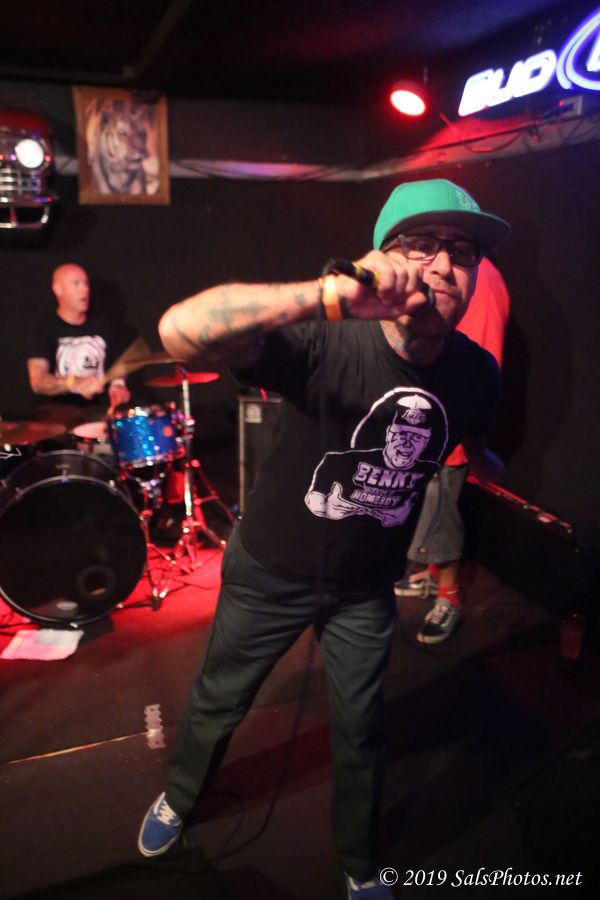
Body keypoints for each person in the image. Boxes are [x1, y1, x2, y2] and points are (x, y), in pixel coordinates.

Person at [137, 178, 509, 898]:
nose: (443, 266)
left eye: (462, 252)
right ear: (383, 257)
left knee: (363, 730)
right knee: (219, 700)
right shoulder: (328, 337)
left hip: (365, 589)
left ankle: (359, 864)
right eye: (422, 246)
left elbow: (465, 441)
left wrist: (488, 470)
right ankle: (180, 798)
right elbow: (180, 329)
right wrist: (327, 295)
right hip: (270, 571)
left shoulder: (476, 373)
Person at [394, 257, 510, 643]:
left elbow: (469, 349)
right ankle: (431, 575)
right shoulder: (473, 273)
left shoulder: (473, 276)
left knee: (441, 510)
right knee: (433, 506)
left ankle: (450, 596)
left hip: (448, 420)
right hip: (440, 413)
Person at [27, 263, 130, 430]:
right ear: (58, 289)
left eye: (86, 283)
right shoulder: (44, 329)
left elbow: (119, 367)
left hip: (99, 411)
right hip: (57, 415)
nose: (85, 289)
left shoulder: (105, 326)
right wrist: (72, 382)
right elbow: (38, 381)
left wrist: (118, 385)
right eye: (76, 284)